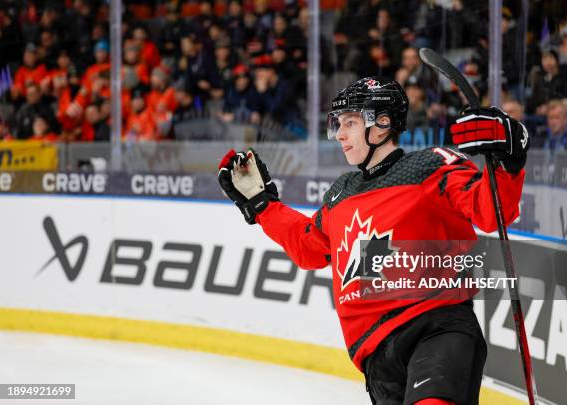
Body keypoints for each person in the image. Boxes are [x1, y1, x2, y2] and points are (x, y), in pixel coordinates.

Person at [218, 77, 529, 405]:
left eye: (349, 123)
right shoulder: (342, 192)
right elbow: (309, 247)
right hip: (376, 355)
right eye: (338, 124)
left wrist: (509, 161)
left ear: (381, 124)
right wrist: (263, 206)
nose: (339, 134)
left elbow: (491, 212)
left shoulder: (430, 166)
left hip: (436, 329)